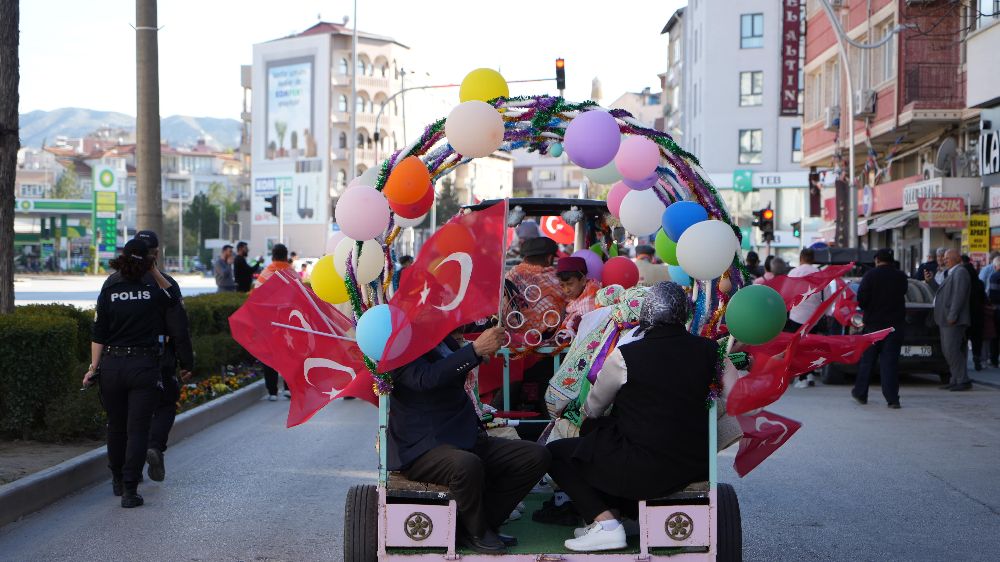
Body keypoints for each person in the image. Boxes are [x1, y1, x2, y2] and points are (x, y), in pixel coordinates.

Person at [546, 282, 717, 552]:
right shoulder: (712, 351)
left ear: (644, 314)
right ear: (685, 313)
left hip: (642, 467)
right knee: (602, 437)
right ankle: (618, 516)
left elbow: (593, 408)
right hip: (695, 462)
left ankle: (607, 524)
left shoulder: (625, 356)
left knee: (558, 451)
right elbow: (732, 396)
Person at [388, 326, 551, 554]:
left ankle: (480, 525)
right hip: (422, 446)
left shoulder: (438, 335)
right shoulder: (398, 343)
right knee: (466, 465)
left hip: (463, 434)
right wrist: (474, 351)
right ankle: (477, 531)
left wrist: (478, 353)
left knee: (535, 456)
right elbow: (425, 378)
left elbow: (451, 368)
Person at [85, 239, 179, 508]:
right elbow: (173, 298)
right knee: (138, 430)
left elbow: (98, 335)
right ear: (148, 260)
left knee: (116, 427)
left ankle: (116, 479)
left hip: (112, 366)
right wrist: (154, 271)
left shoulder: (111, 289)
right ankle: (130, 490)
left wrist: (93, 369)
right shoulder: (152, 291)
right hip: (143, 366)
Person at [124, 231, 194, 482]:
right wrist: (187, 362)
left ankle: (127, 472)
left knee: (129, 415)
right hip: (158, 358)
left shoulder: (115, 283)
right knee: (165, 404)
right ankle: (154, 446)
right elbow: (179, 327)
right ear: (155, 253)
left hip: (120, 361)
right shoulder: (165, 284)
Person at [852, 249, 907, 408]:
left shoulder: (870, 276)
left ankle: (861, 393)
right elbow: (903, 292)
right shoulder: (900, 276)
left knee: (868, 361)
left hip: (873, 326)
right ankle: (892, 399)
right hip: (894, 326)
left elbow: (861, 300)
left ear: (877, 260)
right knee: (890, 363)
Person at [927, 249, 973, 391]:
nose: (944, 260)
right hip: (945, 319)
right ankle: (955, 378)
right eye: (944, 258)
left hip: (953, 320)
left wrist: (953, 315)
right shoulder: (952, 272)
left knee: (952, 350)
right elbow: (942, 292)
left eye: (947, 258)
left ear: (957, 258)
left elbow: (958, 297)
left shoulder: (960, 272)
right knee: (948, 350)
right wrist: (931, 282)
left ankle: (962, 380)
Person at [506, 237, 566, 335]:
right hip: (548, 338)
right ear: (549, 258)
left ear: (524, 258)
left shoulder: (509, 275)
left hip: (514, 336)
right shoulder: (555, 280)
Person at [785, 248, 824, 388]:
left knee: (797, 348)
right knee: (811, 347)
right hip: (815, 317)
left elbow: (787, 293)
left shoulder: (794, 272)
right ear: (813, 259)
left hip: (797, 316)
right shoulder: (820, 273)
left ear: (801, 258)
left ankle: (801, 377)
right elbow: (827, 294)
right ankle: (810, 374)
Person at [557, 257, 600, 334]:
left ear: (583, 280)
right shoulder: (571, 301)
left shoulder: (592, 297)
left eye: (570, 284)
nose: (566, 290)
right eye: (562, 285)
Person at [961, 255, 986, 371]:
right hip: (978, 315)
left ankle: (963, 362)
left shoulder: (962, 283)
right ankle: (977, 359)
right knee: (977, 340)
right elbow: (984, 299)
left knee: (963, 340)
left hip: (964, 315)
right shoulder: (979, 283)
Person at [987, 257, 1000, 368]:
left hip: (997, 310)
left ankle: (994, 360)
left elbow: (993, 295)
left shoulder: (995, 276)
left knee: (995, 336)